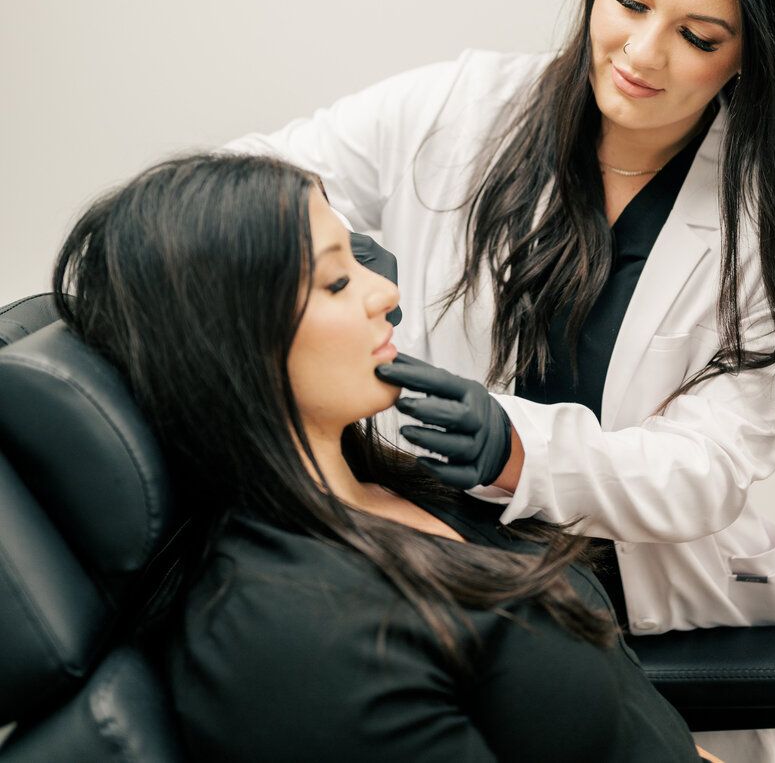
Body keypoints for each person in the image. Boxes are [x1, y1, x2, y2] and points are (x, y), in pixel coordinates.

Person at [227, 0, 775, 763]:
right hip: (443, 547)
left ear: (750, 54)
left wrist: (520, 448)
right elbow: (243, 178)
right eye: (630, 1)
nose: (643, 54)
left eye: (699, 37)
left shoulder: (765, 217)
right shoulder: (459, 108)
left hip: (638, 588)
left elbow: (710, 465)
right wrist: (325, 242)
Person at [52, 153, 707, 762]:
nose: (385, 292)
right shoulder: (292, 636)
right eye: (338, 277)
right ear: (232, 341)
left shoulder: (394, 486)